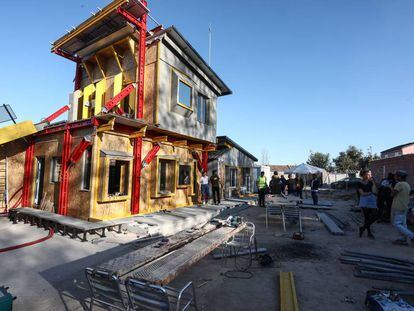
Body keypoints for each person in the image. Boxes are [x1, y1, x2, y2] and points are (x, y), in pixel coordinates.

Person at [391, 170, 412, 245]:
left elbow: (392, 194)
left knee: (397, 224)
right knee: (403, 224)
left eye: (396, 176)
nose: (395, 177)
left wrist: (390, 188)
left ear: (399, 177)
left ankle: (412, 236)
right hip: (404, 206)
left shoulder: (399, 184)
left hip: (398, 206)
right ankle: (403, 239)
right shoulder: (407, 184)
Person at [357, 169, 378, 239]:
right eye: (368, 174)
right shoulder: (359, 183)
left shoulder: (371, 182)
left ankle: (363, 228)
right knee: (367, 217)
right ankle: (369, 233)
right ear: (363, 175)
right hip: (364, 201)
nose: (370, 175)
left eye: (370, 174)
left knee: (375, 216)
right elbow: (362, 194)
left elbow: (375, 191)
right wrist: (369, 193)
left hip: (372, 200)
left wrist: (373, 183)